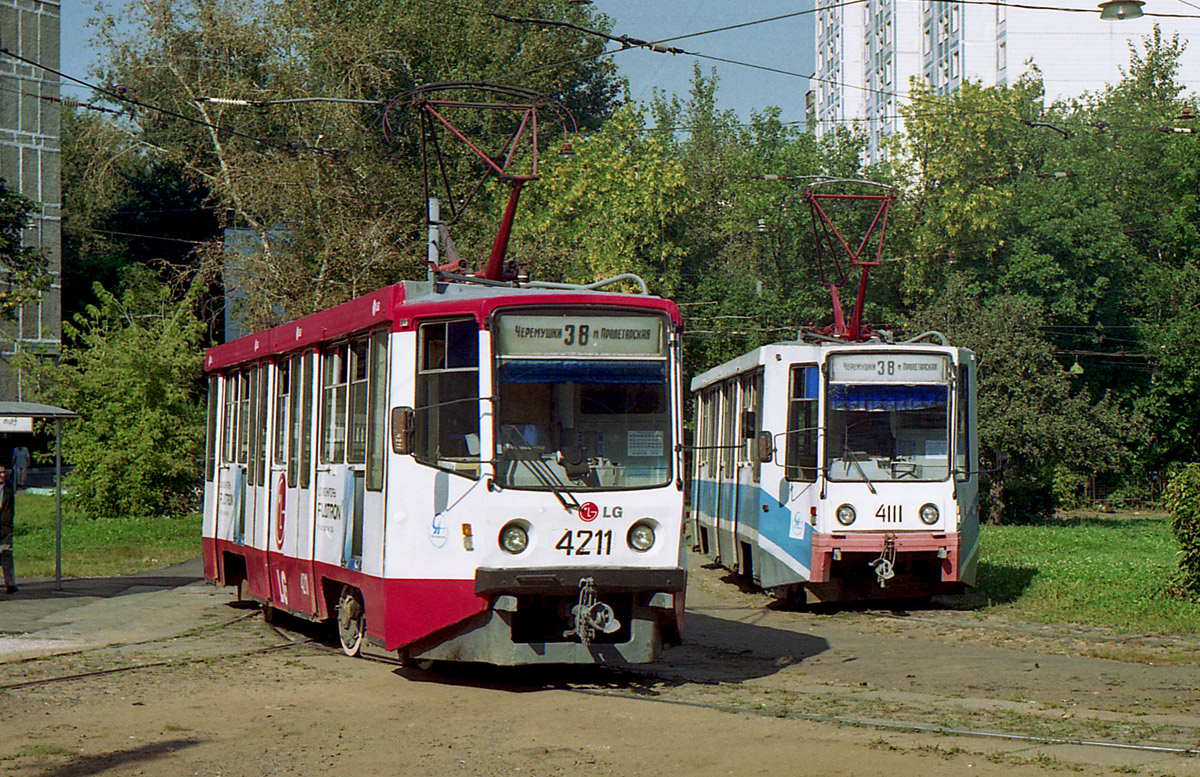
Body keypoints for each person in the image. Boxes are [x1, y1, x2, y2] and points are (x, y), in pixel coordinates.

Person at [0, 465, 15, 594]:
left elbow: (10, 507)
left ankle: (10, 583)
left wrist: (9, 522)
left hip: (5, 527)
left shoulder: (8, 486)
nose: (3, 475)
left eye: (4, 472)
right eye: (0, 473)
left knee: (7, 553)